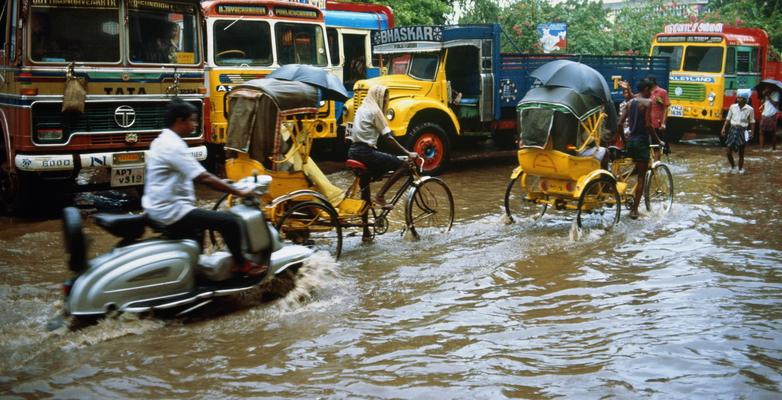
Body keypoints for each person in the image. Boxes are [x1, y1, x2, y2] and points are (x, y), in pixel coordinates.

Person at [143, 99, 267, 276]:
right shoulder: (174, 146)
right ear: (180, 121)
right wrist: (239, 191)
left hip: (158, 207)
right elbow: (204, 178)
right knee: (231, 222)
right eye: (192, 120)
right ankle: (242, 264)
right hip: (172, 211)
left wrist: (227, 184)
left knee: (199, 227)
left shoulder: (161, 141)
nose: (194, 125)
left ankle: (195, 271)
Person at [347, 84, 417, 207]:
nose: (386, 101)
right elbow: (388, 138)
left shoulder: (361, 109)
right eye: (384, 98)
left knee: (365, 198)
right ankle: (380, 196)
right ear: (378, 97)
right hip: (365, 153)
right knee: (404, 164)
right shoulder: (374, 111)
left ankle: (365, 225)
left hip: (353, 151)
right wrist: (408, 153)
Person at [617, 78, 663, 219]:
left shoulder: (630, 103)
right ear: (646, 90)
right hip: (642, 142)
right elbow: (649, 125)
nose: (652, 93)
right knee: (642, 177)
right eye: (650, 90)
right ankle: (634, 210)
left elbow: (620, 123)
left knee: (630, 170)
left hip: (630, 141)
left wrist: (625, 141)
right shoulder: (648, 103)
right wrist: (658, 140)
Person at [720, 91, 755, 173]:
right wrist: (723, 128)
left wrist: (752, 133)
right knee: (728, 152)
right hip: (732, 129)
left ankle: (740, 170)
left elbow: (752, 122)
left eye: (740, 98)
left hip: (743, 131)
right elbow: (728, 119)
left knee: (741, 153)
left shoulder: (750, 109)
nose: (738, 99)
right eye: (738, 97)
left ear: (745, 100)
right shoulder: (732, 107)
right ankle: (733, 167)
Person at [647, 75, 670, 161]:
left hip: (657, 124)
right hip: (647, 124)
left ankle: (656, 165)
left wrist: (663, 123)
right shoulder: (647, 92)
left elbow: (666, 108)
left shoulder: (662, 92)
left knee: (656, 146)